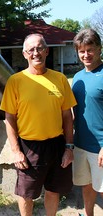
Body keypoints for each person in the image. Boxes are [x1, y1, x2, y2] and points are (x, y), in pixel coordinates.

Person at [0, 33, 76, 216]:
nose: (36, 53)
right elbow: (9, 119)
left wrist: (69, 147)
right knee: (26, 194)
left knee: (53, 189)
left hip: (57, 144)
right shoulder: (15, 81)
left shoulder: (60, 79)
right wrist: (16, 151)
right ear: (25, 54)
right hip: (29, 146)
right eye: (31, 49)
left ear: (47, 51)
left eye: (40, 48)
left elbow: (67, 116)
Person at [72, 28, 103, 216]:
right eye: (82, 51)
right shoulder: (77, 78)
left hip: (100, 146)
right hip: (80, 145)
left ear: (99, 49)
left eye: (90, 49)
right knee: (87, 185)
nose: (86, 55)